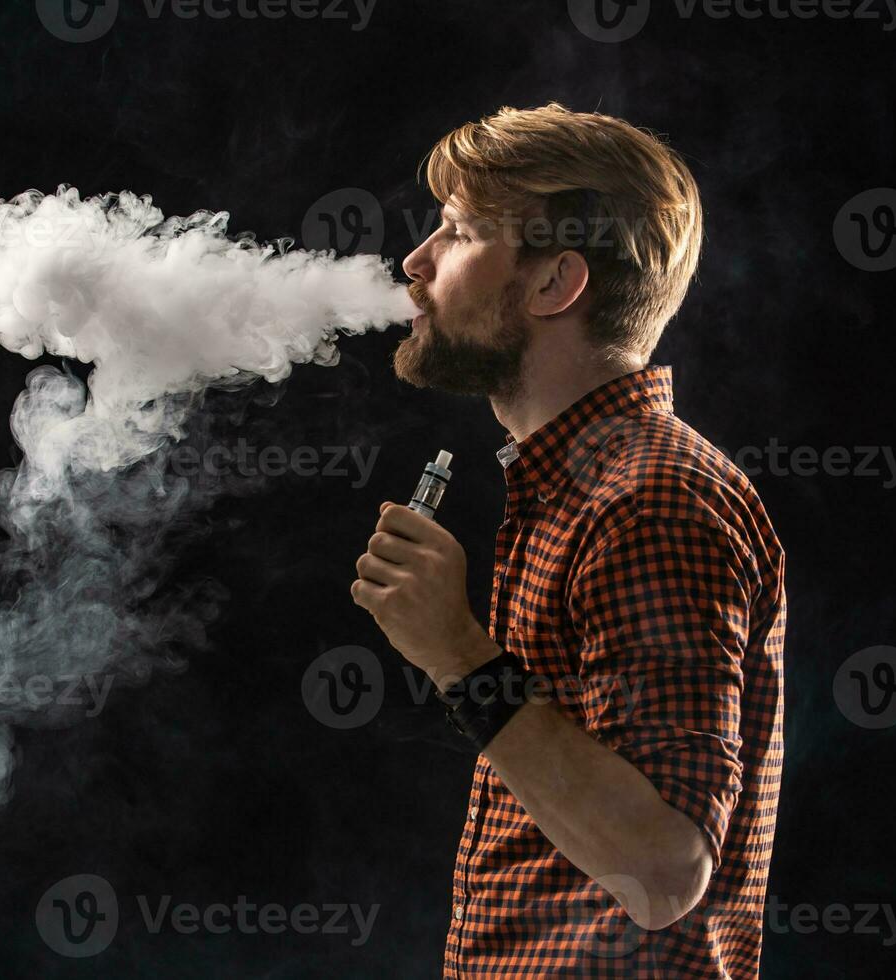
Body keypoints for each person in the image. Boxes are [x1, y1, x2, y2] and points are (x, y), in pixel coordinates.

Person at [350, 103, 786, 978]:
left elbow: (664, 870)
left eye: (460, 232)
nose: (415, 262)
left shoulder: (650, 500)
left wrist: (457, 655)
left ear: (554, 285)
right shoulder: (576, 488)